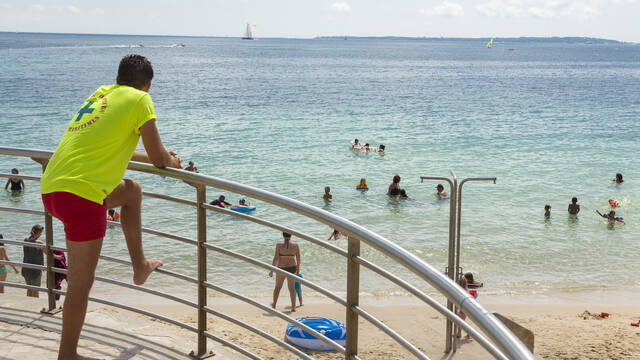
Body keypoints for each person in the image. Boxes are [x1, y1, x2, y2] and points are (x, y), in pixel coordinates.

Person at [39, 54, 180, 360]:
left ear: (119, 78)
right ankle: (68, 355)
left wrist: (162, 154)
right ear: (148, 84)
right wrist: (171, 161)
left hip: (52, 189)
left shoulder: (101, 94)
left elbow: (118, 148)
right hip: (81, 196)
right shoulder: (141, 100)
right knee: (80, 284)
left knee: (131, 192)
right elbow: (159, 160)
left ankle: (139, 266)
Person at [269, 232, 301, 312]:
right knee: (292, 288)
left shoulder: (279, 245)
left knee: (278, 287)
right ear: (291, 235)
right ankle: (293, 308)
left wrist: (271, 270)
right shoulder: (295, 245)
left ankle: (274, 305)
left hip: (281, 268)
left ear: (283, 235)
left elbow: (275, 258)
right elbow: (298, 259)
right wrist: (298, 268)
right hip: (292, 268)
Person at [22, 225, 46, 298]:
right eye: (41, 232)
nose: (41, 234)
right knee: (36, 290)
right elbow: (47, 252)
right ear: (38, 233)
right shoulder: (38, 242)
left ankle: (29, 304)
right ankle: (35, 305)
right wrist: (57, 256)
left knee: (29, 289)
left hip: (26, 267)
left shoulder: (26, 239)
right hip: (35, 269)